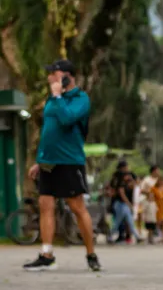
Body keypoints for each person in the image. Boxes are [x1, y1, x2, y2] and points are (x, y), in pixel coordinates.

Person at [23, 59, 101, 271]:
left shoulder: (80, 99)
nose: (50, 77)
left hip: (69, 161)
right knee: (45, 204)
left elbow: (67, 119)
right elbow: (48, 131)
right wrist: (39, 160)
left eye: (54, 73)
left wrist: (58, 96)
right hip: (49, 161)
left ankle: (91, 253)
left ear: (67, 76)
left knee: (76, 207)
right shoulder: (51, 100)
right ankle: (46, 254)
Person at [109, 172, 143, 244]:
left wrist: (134, 181)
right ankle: (110, 235)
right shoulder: (121, 184)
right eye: (127, 176)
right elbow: (122, 195)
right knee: (117, 222)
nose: (128, 177)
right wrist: (129, 204)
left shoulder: (129, 184)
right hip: (120, 205)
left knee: (130, 222)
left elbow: (137, 186)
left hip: (125, 206)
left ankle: (137, 236)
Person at [150, 177, 163, 244]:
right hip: (157, 207)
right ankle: (153, 236)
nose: (162, 182)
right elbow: (151, 197)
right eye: (160, 181)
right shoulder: (153, 188)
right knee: (157, 222)